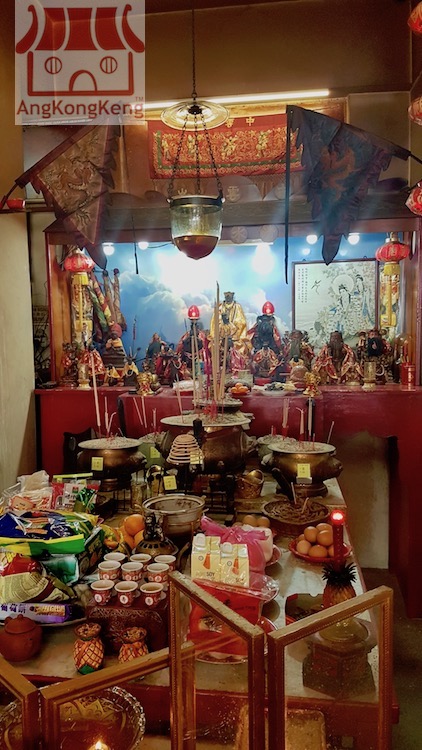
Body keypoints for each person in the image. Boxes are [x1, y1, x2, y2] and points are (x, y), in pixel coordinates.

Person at [209, 290, 252, 373]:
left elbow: (241, 324)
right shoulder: (219, 308)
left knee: (241, 348)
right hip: (221, 338)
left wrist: (229, 325)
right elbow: (215, 325)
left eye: (230, 296)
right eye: (227, 296)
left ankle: (236, 370)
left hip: (236, 339)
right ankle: (218, 370)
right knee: (214, 346)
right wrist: (223, 327)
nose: (228, 298)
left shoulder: (237, 307)